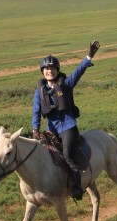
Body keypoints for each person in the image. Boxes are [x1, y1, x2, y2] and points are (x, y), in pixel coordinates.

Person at [32, 41, 100, 200]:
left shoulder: (66, 85)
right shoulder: (39, 92)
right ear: (43, 72)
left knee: (68, 155)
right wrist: (35, 129)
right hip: (52, 130)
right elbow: (36, 111)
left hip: (68, 127)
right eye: (46, 69)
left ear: (57, 71)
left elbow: (78, 72)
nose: (49, 71)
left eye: (52, 69)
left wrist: (89, 56)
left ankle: (76, 187)